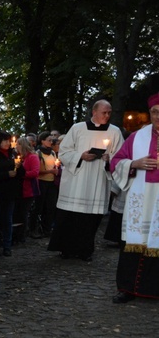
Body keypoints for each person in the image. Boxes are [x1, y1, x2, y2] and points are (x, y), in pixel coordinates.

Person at [48, 99, 124, 261]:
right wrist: (81, 156)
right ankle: (66, 250)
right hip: (77, 182)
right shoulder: (77, 128)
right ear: (94, 112)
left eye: (109, 112)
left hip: (98, 183)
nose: (107, 115)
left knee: (90, 221)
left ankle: (85, 251)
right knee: (70, 218)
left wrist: (108, 159)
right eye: (104, 112)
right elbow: (64, 152)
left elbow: (121, 157)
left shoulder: (115, 132)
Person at [109, 92, 159, 303]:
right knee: (134, 240)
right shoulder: (137, 136)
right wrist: (134, 164)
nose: (158, 116)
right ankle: (128, 289)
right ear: (150, 113)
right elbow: (116, 162)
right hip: (141, 196)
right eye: (155, 112)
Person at [0, 132, 23, 256]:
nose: (8, 143)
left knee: (7, 219)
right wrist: (6, 174)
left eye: (9, 141)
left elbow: (21, 172)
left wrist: (18, 168)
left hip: (10, 192)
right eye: (5, 141)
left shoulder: (13, 154)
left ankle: (7, 245)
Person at [33, 132, 60, 237]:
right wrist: (50, 171)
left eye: (51, 140)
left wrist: (55, 169)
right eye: (49, 140)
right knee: (39, 206)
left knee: (51, 206)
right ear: (42, 141)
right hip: (41, 181)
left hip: (52, 182)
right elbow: (37, 170)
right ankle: (34, 228)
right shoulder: (38, 153)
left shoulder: (53, 153)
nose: (51, 142)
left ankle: (47, 228)